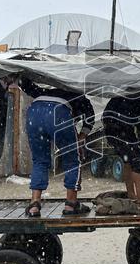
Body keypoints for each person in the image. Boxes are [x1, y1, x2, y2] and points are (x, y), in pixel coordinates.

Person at [19, 77, 92, 218]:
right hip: (59, 113)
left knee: (39, 160)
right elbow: (90, 115)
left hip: (34, 112)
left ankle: (34, 204)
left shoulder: (44, 83)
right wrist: (82, 135)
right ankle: (71, 204)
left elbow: (26, 85)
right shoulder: (77, 92)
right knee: (72, 159)